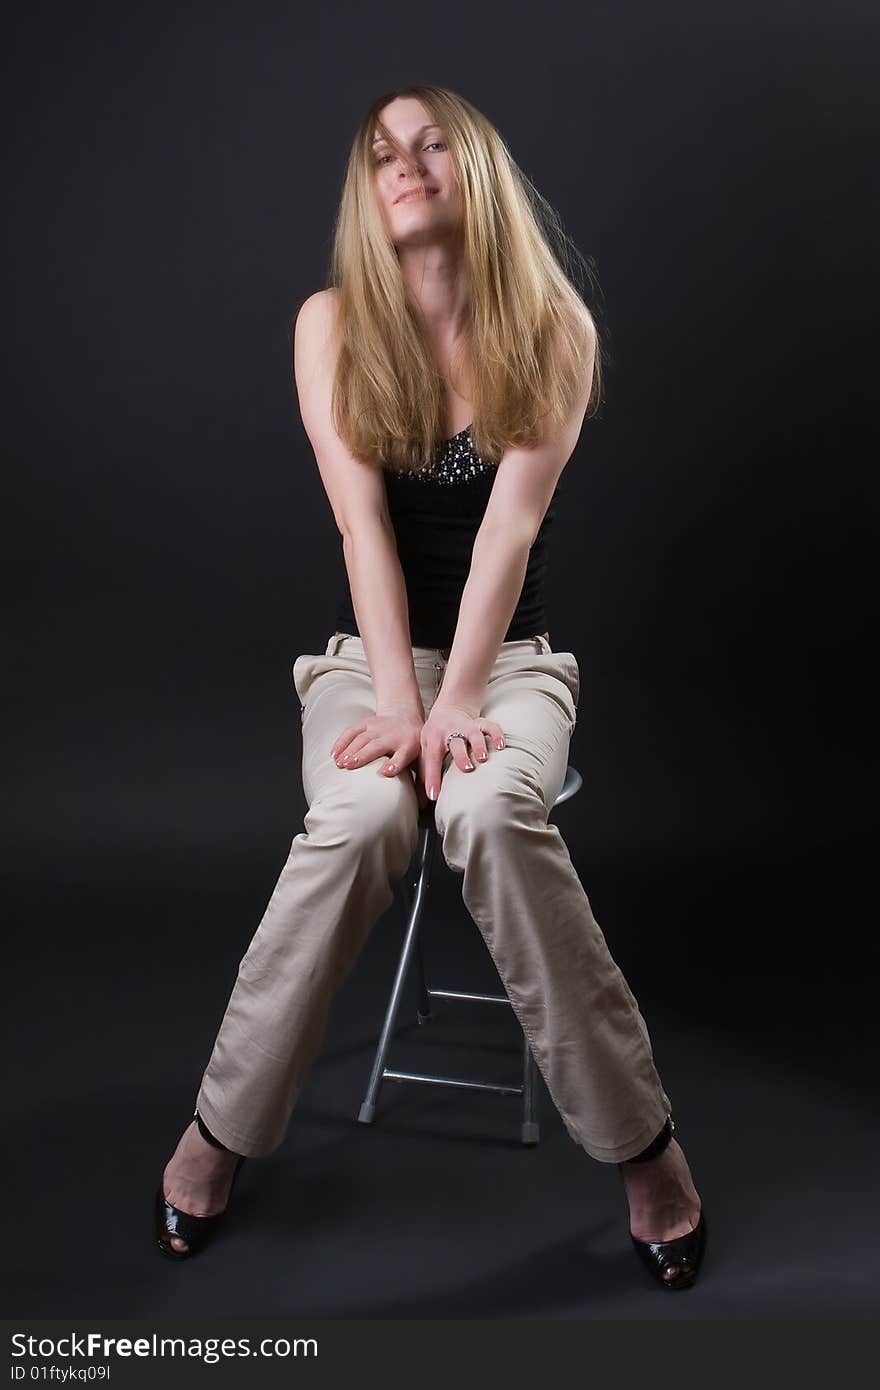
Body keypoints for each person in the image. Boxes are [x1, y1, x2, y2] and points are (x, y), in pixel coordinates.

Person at [155, 83, 706, 1291]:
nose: (402, 164)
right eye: (378, 153)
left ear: (478, 171)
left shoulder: (552, 327)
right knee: (359, 816)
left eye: (431, 143)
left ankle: (643, 1149)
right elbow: (360, 529)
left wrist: (458, 705)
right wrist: (402, 711)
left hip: (509, 660)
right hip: (372, 653)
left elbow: (507, 540)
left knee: (485, 810)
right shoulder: (330, 324)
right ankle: (218, 1128)